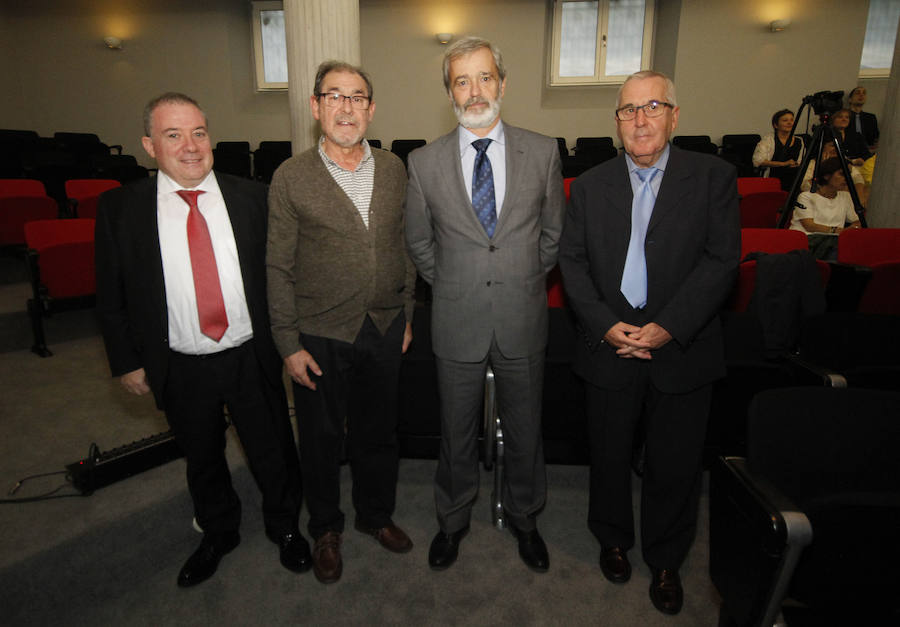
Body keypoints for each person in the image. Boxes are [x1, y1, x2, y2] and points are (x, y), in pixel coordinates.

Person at [95, 93, 309, 587]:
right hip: (180, 360)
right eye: (173, 135)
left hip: (249, 353)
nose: (190, 146)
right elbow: (111, 294)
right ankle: (218, 531)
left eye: (198, 133)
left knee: (272, 446)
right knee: (202, 454)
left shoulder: (255, 197)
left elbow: (283, 275)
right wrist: (126, 360)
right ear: (150, 145)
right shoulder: (120, 209)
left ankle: (286, 527)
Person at [558, 71, 739, 615]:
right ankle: (612, 538)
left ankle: (666, 558)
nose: (640, 119)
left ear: (675, 116)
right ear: (615, 121)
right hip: (609, 344)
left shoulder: (713, 178)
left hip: (683, 346)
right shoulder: (588, 187)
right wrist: (606, 325)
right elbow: (573, 263)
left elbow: (721, 261)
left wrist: (668, 327)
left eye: (652, 106)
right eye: (628, 110)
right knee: (609, 453)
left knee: (675, 462)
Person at [405, 36, 565, 573]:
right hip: (456, 319)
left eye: (484, 77)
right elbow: (419, 243)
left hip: (523, 315)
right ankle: (452, 521)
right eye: (462, 80)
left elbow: (552, 238)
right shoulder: (423, 162)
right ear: (449, 91)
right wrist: (453, 282)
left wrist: (515, 278)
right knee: (455, 433)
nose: (475, 91)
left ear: (503, 82)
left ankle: (525, 517)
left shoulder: (543, 151)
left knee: (525, 430)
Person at [266, 61, 416, 585]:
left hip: (383, 326)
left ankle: (375, 515)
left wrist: (407, 314)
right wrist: (287, 342)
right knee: (321, 439)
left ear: (371, 109)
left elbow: (405, 247)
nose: (346, 107)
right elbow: (278, 265)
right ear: (315, 107)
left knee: (379, 434)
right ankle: (326, 528)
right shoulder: (291, 176)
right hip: (319, 335)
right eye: (334, 96)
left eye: (357, 97)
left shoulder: (397, 168)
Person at [791, 157, 861, 260]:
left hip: (833, 242)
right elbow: (809, 226)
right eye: (842, 174)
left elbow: (858, 222)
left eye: (849, 173)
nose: (847, 177)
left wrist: (850, 230)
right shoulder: (806, 196)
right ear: (827, 176)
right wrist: (838, 231)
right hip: (807, 242)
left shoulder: (845, 196)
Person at [800, 141, 867, 206]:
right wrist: (824, 166)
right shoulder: (811, 164)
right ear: (822, 146)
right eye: (832, 145)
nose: (836, 148)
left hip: (842, 201)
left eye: (838, 145)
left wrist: (859, 196)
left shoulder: (844, 163)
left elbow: (857, 178)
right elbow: (805, 186)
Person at [751, 109, 804, 190]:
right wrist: (783, 164)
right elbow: (758, 161)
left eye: (792, 120)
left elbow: (800, 161)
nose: (789, 123)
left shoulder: (799, 141)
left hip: (793, 179)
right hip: (773, 178)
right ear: (776, 125)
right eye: (785, 120)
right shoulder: (768, 139)